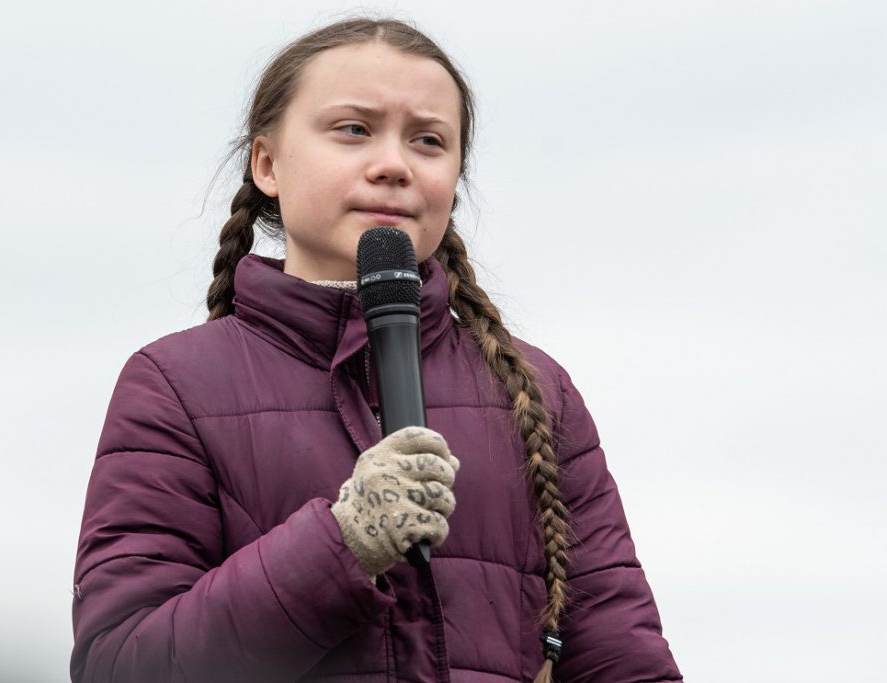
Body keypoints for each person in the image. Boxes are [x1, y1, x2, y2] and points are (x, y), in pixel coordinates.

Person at [70, 16, 682, 683]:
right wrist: (343, 541)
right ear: (268, 164)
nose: (393, 164)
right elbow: (120, 663)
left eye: (427, 140)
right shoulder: (175, 384)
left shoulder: (535, 389)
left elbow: (626, 661)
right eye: (354, 129)